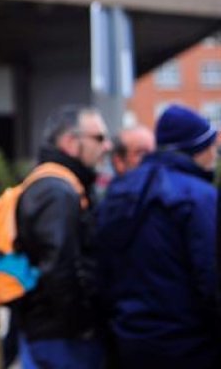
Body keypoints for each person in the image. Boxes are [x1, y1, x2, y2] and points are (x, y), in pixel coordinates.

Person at [96, 105, 218, 368]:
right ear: (198, 149)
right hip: (189, 347)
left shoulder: (117, 193)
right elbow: (211, 278)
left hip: (128, 341)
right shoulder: (199, 197)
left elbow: (101, 270)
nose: (215, 155)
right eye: (212, 146)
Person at [13, 105, 110, 369]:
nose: (107, 146)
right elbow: (58, 267)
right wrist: (82, 324)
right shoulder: (57, 191)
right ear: (70, 141)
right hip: (61, 338)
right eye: (99, 138)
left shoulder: (61, 185)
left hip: (54, 331)